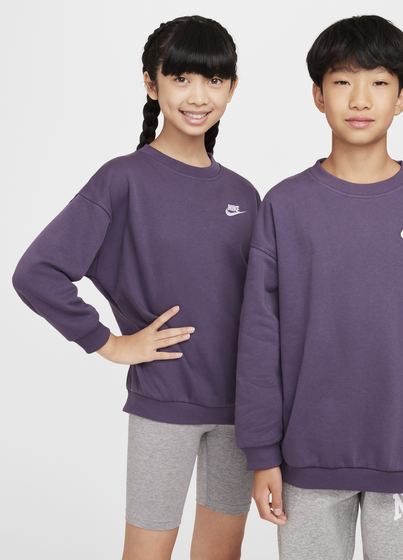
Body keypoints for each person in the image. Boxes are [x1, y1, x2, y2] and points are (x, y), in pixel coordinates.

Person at [235, 14, 403, 560]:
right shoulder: (284, 206)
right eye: (342, 81)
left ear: (402, 98)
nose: (359, 99)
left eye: (378, 82)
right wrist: (261, 454)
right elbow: (258, 338)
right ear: (317, 95)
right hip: (304, 463)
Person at [13, 15, 259, 560]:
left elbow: (265, 307)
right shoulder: (122, 179)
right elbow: (36, 272)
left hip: (242, 413)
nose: (198, 96)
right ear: (152, 82)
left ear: (232, 88)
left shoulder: (245, 195)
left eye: (214, 80)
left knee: (222, 555)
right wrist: (110, 343)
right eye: (181, 78)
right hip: (163, 403)